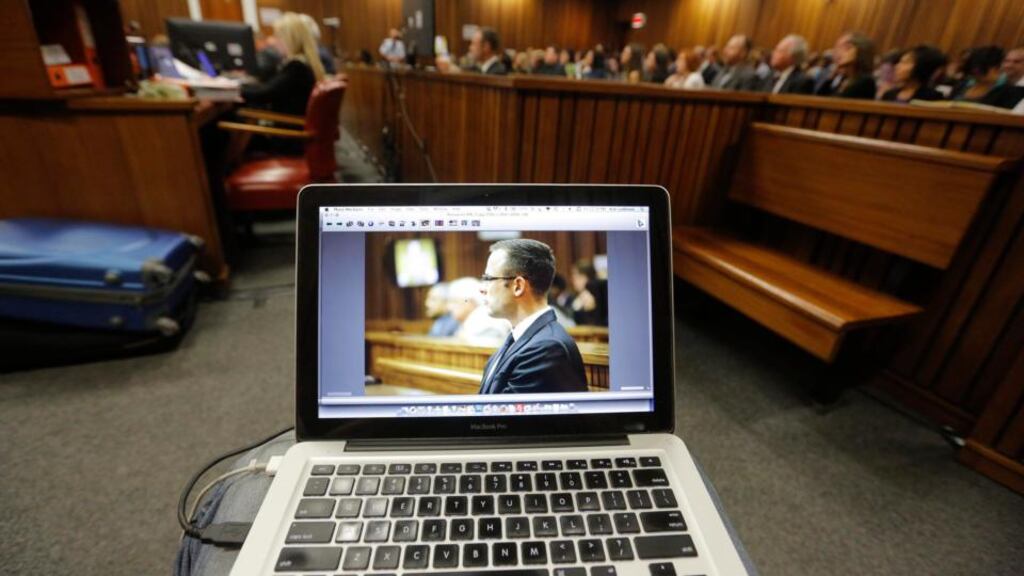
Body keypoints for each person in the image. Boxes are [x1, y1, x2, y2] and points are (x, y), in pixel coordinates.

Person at [477, 239, 587, 395]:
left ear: (518, 286)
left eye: (488, 278)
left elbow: (501, 410)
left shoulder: (546, 348)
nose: (482, 289)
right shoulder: (521, 338)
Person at [241, 12, 325, 117]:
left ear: (289, 39)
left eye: (277, 36)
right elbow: (270, 88)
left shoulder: (297, 67)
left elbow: (265, 94)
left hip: (287, 123)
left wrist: (235, 91)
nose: (273, 41)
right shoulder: (304, 62)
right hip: (291, 119)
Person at [955, 46, 1024, 109]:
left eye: (981, 69)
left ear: (997, 68)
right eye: (1007, 61)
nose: (1008, 65)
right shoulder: (963, 86)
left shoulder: (1010, 92)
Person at [816, 32, 876, 99]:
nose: (838, 51)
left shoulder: (866, 82)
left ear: (861, 51)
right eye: (837, 47)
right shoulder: (843, 78)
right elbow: (818, 99)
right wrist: (831, 78)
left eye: (847, 47)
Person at [880, 45, 946, 103]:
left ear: (921, 67)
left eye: (905, 62)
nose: (897, 66)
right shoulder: (889, 95)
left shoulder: (932, 98)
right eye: (900, 62)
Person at [569, 259, 608, 326]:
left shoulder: (598, 295)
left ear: (589, 277)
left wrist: (590, 310)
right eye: (573, 277)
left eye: (578, 277)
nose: (574, 280)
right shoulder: (573, 297)